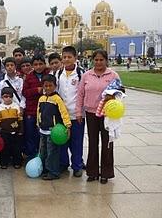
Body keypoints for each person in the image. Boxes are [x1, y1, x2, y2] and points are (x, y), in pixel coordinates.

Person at [76, 49, 120, 184]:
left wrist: (113, 97)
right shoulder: (87, 75)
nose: (99, 62)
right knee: (93, 142)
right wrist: (79, 111)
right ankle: (92, 172)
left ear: (106, 60)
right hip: (91, 114)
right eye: (96, 60)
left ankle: (106, 173)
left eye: (101, 60)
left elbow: (120, 93)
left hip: (107, 114)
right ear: (92, 60)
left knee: (107, 143)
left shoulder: (113, 75)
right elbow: (80, 94)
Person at [56, 46, 85, 177]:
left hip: (77, 115)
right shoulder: (57, 74)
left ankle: (77, 165)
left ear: (75, 58)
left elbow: (83, 94)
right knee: (62, 141)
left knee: (76, 142)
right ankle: (63, 163)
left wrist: (80, 112)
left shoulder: (81, 74)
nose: (66, 59)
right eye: (64, 57)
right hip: (62, 115)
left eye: (69, 57)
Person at [37, 74, 71, 180]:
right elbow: (38, 112)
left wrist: (68, 125)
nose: (47, 88)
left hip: (53, 131)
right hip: (43, 130)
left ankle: (54, 172)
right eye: (45, 86)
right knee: (43, 152)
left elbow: (64, 113)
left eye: (50, 86)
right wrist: (38, 124)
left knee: (52, 153)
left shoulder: (57, 99)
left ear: (55, 86)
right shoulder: (41, 98)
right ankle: (45, 169)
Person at [22, 55, 49, 159]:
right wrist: (36, 90)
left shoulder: (49, 74)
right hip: (31, 110)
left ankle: (43, 155)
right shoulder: (29, 77)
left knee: (42, 134)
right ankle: (31, 155)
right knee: (30, 134)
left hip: (46, 110)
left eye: (41, 64)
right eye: (36, 64)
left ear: (44, 64)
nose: (38, 67)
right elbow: (24, 92)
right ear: (33, 66)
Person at [0, 87, 23, 169]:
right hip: (4, 132)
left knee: (16, 148)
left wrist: (21, 130)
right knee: (4, 148)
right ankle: (4, 163)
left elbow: (20, 119)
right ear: (2, 98)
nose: (8, 98)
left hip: (15, 131)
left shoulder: (16, 107)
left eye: (10, 96)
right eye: (5, 96)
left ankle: (17, 162)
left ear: (12, 97)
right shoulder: (0, 108)